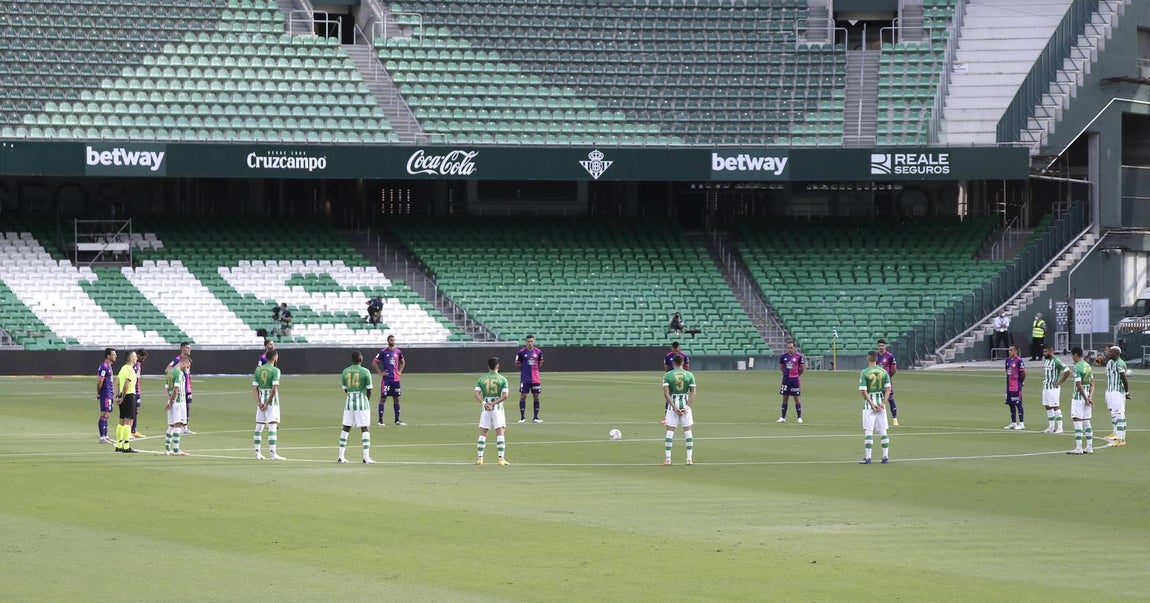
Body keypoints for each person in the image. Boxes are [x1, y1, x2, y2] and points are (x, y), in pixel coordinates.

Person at [338, 351, 376, 464]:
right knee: (364, 428)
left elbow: (345, 388)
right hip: (362, 403)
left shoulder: (345, 371)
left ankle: (341, 456)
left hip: (349, 403)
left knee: (346, 428)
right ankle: (366, 457)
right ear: (361, 359)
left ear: (352, 359)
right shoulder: (365, 372)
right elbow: (369, 390)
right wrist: (365, 401)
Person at [474, 356, 510, 466]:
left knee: (483, 431)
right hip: (497, 407)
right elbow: (505, 396)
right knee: (500, 430)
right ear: (498, 366)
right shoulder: (503, 379)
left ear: (488, 366)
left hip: (485, 407)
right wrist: (494, 404)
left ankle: (480, 458)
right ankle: (500, 459)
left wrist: (485, 403)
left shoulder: (482, 379)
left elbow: (476, 394)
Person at [662, 353, 697, 465]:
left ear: (673, 363)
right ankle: (689, 459)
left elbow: (666, 394)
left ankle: (668, 459)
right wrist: (686, 407)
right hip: (685, 403)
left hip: (673, 404)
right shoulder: (690, 375)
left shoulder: (667, 375)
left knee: (670, 431)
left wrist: (674, 407)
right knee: (688, 431)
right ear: (682, 362)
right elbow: (693, 392)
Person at [858, 350, 892, 464]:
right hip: (881, 404)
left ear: (868, 359)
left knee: (869, 431)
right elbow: (888, 389)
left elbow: (863, 390)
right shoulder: (884, 372)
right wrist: (883, 403)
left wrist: (872, 403)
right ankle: (885, 456)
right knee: (883, 430)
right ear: (876, 359)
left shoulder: (864, 372)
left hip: (869, 405)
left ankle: (868, 457)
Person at [252, 349, 285, 460]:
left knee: (259, 426)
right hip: (271, 402)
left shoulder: (258, 370)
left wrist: (259, 403)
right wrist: (267, 403)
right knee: (272, 426)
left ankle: (257, 453)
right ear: (275, 357)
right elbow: (274, 389)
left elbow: (254, 389)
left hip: (260, 400)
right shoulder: (276, 370)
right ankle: (273, 453)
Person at [372, 334, 406, 426]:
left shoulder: (398, 352)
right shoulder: (383, 352)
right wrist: (380, 373)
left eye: (394, 340)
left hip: (396, 379)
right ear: (388, 341)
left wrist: (400, 371)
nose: (393, 342)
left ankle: (397, 420)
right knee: (383, 398)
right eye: (391, 340)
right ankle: (380, 420)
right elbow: (374, 362)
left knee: (396, 398)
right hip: (386, 379)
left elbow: (403, 361)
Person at [1067, 346, 1095, 455]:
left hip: (1079, 398)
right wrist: (1089, 398)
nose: (1072, 358)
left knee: (1077, 421)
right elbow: (1092, 384)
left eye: (1072, 355)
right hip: (1087, 396)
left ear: (1075, 355)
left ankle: (1078, 448)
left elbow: (1078, 384)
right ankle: (1089, 447)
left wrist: (1085, 398)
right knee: (1086, 421)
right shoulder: (1088, 366)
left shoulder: (1077, 367)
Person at [1040, 344, 1070, 434]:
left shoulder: (1056, 361)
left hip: (1053, 388)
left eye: (1046, 352)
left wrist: (1060, 382)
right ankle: (1051, 427)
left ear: (1051, 351)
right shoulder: (1045, 360)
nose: (1044, 353)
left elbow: (1067, 371)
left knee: (1055, 406)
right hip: (1046, 386)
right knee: (1047, 406)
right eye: (1043, 352)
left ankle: (1060, 428)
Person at [164, 355, 191, 456]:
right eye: (187, 366)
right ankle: (176, 450)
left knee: (171, 425)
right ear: (184, 363)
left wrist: (169, 400)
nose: (187, 368)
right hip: (179, 402)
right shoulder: (179, 373)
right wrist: (172, 401)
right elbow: (176, 389)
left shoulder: (170, 372)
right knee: (178, 424)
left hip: (171, 401)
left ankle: (167, 449)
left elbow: (166, 388)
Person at [113, 350, 139, 453]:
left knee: (122, 421)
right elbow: (126, 385)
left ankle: (119, 445)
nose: (136, 358)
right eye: (135, 356)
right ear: (131, 358)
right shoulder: (131, 370)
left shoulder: (123, 368)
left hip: (121, 395)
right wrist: (123, 397)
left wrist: (117, 396)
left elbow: (117, 382)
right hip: (129, 396)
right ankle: (126, 446)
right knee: (129, 421)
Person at [1103, 345, 1130, 446]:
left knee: (1120, 414)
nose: (1108, 353)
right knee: (1114, 413)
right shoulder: (1110, 362)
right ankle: (1115, 435)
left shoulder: (1120, 363)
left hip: (1117, 392)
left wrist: (1126, 392)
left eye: (1110, 352)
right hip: (1110, 391)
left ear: (1116, 354)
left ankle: (1121, 439)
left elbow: (1124, 378)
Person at [166, 342, 194, 434]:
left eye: (189, 348)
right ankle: (179, 426)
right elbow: (167, 370)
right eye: (187, 348)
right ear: (182, 348)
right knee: (180, 406)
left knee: (188, 406)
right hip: (179, 387)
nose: (189, 350)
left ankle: (185, 426)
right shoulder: (177, 359)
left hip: (187, 387)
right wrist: (176, 370)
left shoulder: (187, 360)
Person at [515, 334, 544, 423]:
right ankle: (522, 417)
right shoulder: (521, 352)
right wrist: (524, 368)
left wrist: (535, 369)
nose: (530, 343)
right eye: (528, 341)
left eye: (531, 341)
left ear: (533, 341)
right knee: (523, 396)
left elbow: (540, 362)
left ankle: (535, 417)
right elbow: (517, 363)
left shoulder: (538, 352)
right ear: (526, 342)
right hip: (525, 378)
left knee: (536, 396)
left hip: (535, 378)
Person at [660, 342, 690, 425]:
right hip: (671, 379)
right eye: (674, 348)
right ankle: (667, 417)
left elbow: (687, 367)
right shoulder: (668, 356)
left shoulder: (684, 356)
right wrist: (669, 377)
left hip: (681, 379)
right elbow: (666, 368)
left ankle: (683, 413)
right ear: (672, 348)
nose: (675, 350)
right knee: (669, 396)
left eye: (676, 348)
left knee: (683, 396)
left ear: (678, 348)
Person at [776, 341, 804, 424]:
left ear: (794, 347)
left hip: (795, 380)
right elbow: (782, 367)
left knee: (796, 398)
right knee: (785, 398)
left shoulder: (799, 356)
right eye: (788, 347)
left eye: (791, 347)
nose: (790, 349)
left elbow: (802, 368)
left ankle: (799, 417)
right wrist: (786, 374)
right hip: (786, 380)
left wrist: (797, 375)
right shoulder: (783, 356)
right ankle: (783, 417)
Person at [876, 339, 899, 426]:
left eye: (882, 345)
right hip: (877, 381)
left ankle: (895, 419)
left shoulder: (890, 356)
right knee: (878, 399)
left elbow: (894, 369)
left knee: (890, 399)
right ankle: (879, 420)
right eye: (879, 345)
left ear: (885, 346)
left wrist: (888, 377)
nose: (881, 347)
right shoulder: (876, 356)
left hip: (886, 381)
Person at [96, 347, 117, 444]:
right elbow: (100, 381)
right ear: (108, 356)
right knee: (104, 414)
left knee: (107, 414)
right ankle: (102, 437)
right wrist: (99, 393)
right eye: (113, 354)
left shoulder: (109, 366)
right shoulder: (104, 367)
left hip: (109, 393)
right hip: (105, 393)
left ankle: (106, 436)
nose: (115, 356)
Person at [1004, 345, 1026, 430]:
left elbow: (1023, 372)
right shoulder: (1007, 360)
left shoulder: (1019, 361)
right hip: (1009, 386)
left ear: (1016, 351)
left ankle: (1021, 423)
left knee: (1018, 404)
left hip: (1016, 386)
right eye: (1009, 350)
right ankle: (1013, 423)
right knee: (1010, 404)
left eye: (1011, 350)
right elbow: (1007, 372)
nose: (1010, 352)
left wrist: (1021, 381)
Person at [131, 349, 148, 438]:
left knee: (136, 410)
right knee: (131, 411)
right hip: (132, 391)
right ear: (138, 355)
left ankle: (133, 430)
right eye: (142, 357)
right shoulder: (133, 365)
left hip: (137, 391)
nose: (143, 360)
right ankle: (129, 431)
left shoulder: (139, 364)